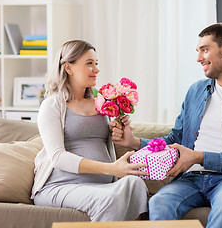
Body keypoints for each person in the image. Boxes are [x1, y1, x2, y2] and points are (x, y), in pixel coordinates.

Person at [112, 23, 222, 228]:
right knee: (159, 202)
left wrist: (199, 157)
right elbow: (174, 139)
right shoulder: (196, 91)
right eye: (198, 51)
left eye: (205, 50)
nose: (199, 59)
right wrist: (134, 142)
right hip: (190, 179)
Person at [31, 40, 149, 221]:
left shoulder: (101, 103)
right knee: (108, 199)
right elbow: (57, 157)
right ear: (68, 68)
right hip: (61, 186)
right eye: (89, 63)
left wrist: (119, 132)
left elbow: (104, 141)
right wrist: (111, 169)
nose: (96, 69)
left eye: (96, 63)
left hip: (101, 186)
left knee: (136, 184)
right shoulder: (52, 105)